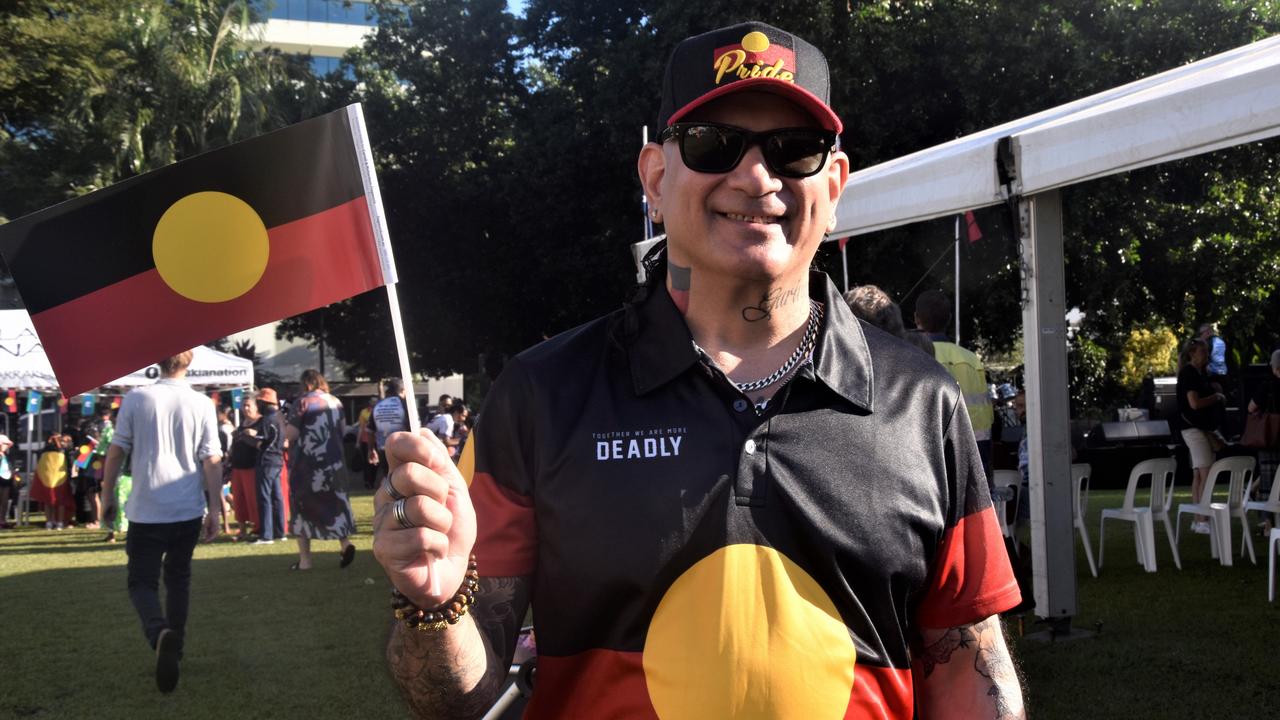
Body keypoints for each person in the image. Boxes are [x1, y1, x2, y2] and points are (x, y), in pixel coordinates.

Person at [372, 21, 1023, 719]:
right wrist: (435, 606)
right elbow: (453, 700)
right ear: (655, 176)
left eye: (794, 150)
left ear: (833, 186)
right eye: (713, 144)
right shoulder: (542, 394)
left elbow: (967, 666)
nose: (755, 177)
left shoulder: (922, 403)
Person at [100, 350, 222, 693]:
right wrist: (215, 509)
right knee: (179, 580)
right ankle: (176, 648)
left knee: (141, 582)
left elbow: (116, 451)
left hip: (146, 508)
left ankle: (158, 632)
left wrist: (107, 496)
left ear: (157, 361)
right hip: (186, 508)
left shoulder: (137, 397)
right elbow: (211, 459)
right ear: (189, 362)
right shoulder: (201, 403)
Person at [915, 289, 996, 479]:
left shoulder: (912, 356)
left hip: (929, 458)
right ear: (949, 319)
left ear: (916, 318)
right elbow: (984, 417)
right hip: (971, 455)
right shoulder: (972, 360)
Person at [285, 369, 356, 570]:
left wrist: (284, 425)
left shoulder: (303, 402)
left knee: (301, 508)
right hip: (335, 465)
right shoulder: (336, 402)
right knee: (337, 504)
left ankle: (305, 561)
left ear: (305, 383)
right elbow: (343, 430)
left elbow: (292, 434)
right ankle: (345, 544)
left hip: (307, 466)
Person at [1177, 337, 1227, 534]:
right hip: (1193, 428)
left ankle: (1199, 519)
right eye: (1203, 352)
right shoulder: (1189, 373)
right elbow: (1194, 404)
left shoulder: (1200, 373)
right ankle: (1203, 520)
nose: (1206, 355)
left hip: (1199, 427)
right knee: (1206, 474)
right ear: (1193, 354)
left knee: (1199, 474)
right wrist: (1216, 397)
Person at [247, 388, 287, 544]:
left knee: (264, 497)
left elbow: (262, 440)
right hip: (277, 460)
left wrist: (250, 434)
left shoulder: (267, 419)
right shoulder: (280, 417)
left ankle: (266, 535)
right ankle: (280, 532)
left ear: (263, 402)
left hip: (266, 461)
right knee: (277, 497)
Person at [1246, 348, 1280, 532]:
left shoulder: (1267, 385)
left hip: (1269, 438)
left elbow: (1251, 408)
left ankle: (1268, 524)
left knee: (1268, 482)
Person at [228, 397, 262, 540]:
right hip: (237, 466)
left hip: (252, 466)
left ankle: (258, 528)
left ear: (256, 407)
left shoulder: (261, 422)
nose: (245, 408)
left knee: (252, 499)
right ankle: (242, 530)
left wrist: (250, 436)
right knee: (239, 500)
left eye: (248, 405)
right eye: (243, 406)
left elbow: (262, 443)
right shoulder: (242, 423)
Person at [369, 378, 409, 484]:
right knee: (403, 479)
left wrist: (371, 449)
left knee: (388, 476)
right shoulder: (405, 404)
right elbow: (412, 427)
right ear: (403, 390)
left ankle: (389, 497)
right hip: (403, 448)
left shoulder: (377, 406)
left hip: (383, 448)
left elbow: (370, 430)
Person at [32, 434, 73, 529]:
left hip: (47, 479)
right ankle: (59, 522)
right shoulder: (64, 452)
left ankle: (49, 522)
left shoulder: (43, 452)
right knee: (61, 502)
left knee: (48, 502)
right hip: (60, 479)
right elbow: (69, 464)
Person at [0, 434, 15, 528]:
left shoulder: (6, 455)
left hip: (6, 481)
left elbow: (9, 467)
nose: (7, 446)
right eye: (5, 444)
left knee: (4, 502)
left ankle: (2, 520)